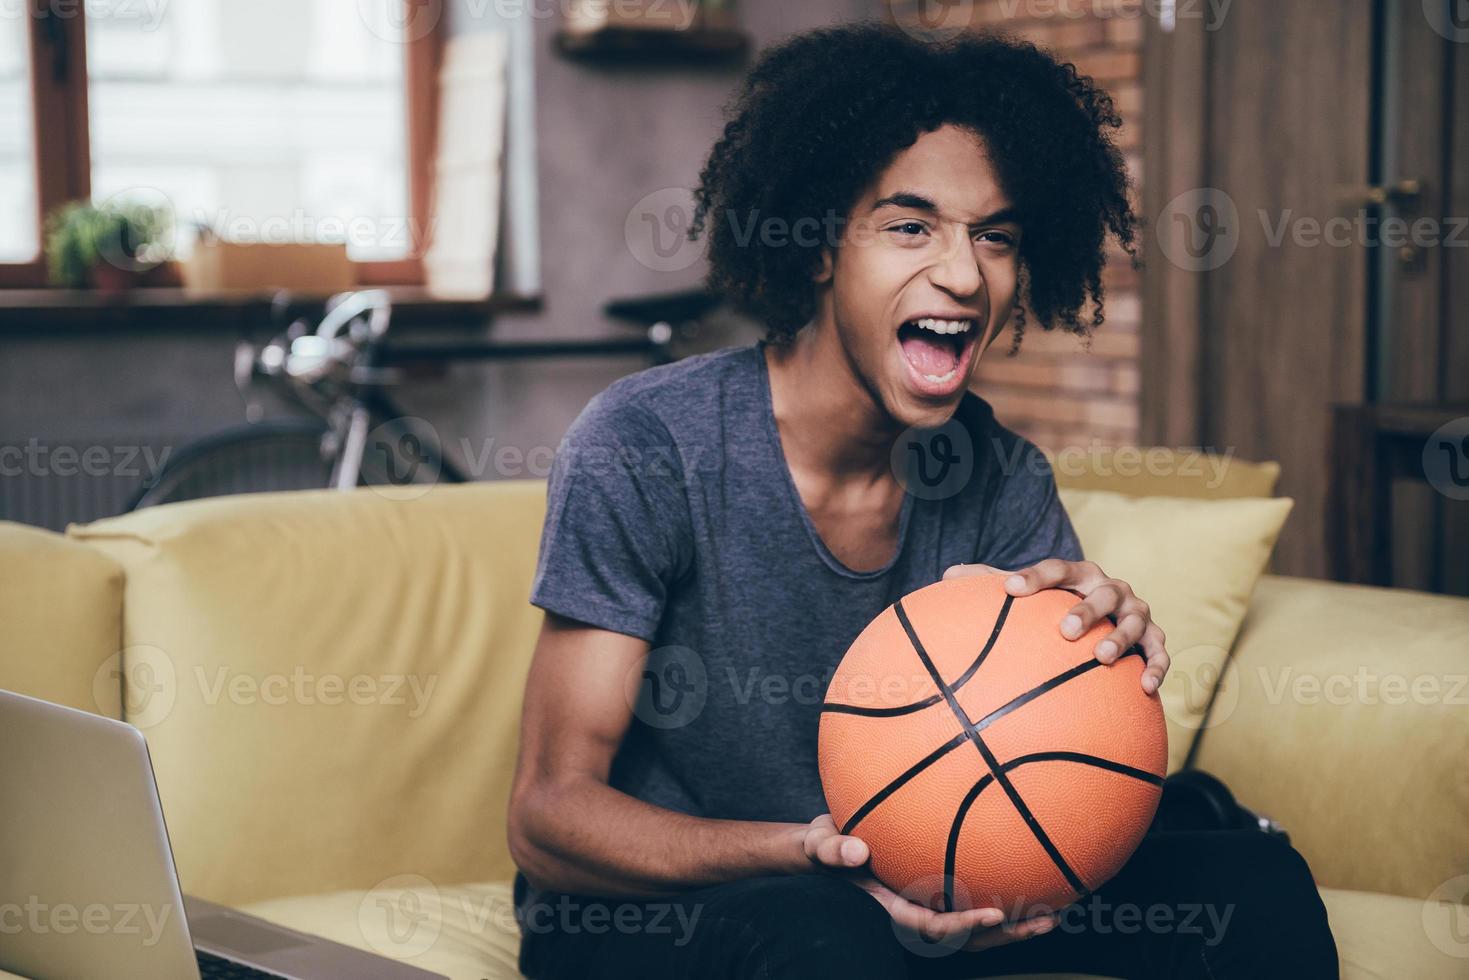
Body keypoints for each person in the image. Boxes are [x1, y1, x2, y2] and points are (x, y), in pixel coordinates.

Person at [507, 21, 1337, 980]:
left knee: (1249, 881)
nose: (962, 272)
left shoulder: (1000, 476)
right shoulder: (647, 445)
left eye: (996, 236)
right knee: (823, 938)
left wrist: (1109, 664)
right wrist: (806, 851)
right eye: (910, 226)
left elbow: (1036, 779)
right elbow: (547, 816)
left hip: (910, 874)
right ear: (819, 247)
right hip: (671, 905)